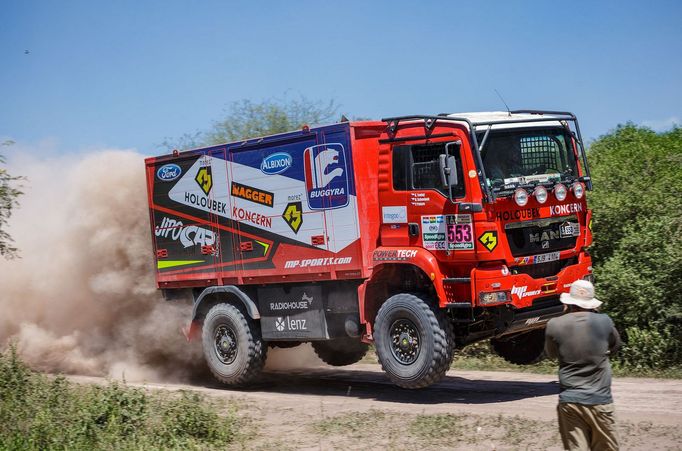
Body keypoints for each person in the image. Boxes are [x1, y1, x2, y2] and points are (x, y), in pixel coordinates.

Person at [545, 279, 622, 451]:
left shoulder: (554, 325)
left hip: (570, 402)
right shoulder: (604, 321)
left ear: (568, 304)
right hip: (600, 402)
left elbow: (551, 354)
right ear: (592, 304)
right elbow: (615, 346)